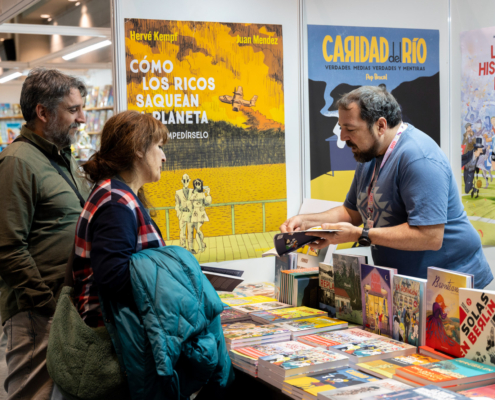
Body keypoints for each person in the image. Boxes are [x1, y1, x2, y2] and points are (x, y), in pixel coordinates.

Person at [280, 86, 492, 289]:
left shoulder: (419, 158)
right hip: (407, 284)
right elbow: (352, 212)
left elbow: (430, 236)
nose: (342, 137)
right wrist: (307, 222)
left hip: (451, 281)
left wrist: (361, 234)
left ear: (380, 126)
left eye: (350, 129)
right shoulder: (368, 155)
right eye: (341, 127)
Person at [0, 68, 90, 400]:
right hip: (38, 317)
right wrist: (47, 305)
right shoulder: (17, 162)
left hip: (66, 311)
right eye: (73, 109)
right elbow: (8, 248)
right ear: (42, 112)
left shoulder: (61, 158)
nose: (82, 118)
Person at [73, 110, 167, 328]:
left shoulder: (116, 194)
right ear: (138, 148)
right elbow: (114, 278)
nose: (163, 156)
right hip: (116, 334)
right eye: (159, 146)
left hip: (122, 329)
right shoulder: (115, 203)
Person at [188, 178, 212, 254]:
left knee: (198, 230)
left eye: (199, 183)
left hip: (200, 213)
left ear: (201, 184)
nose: (197, 185)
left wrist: (208, 194)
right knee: (196, 230)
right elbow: (189, 203)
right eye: (196, 183)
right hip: (194, 214)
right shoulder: (192, 193)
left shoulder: (202, 194)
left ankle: (201, 247)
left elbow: (207, 203)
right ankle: (202, 244)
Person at [175, 173, 192, 249]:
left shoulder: (192, 191)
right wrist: (179, 214)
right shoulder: (178, 192)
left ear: (189, 180)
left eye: (187, 180)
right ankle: (183, 246)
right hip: (182, 214)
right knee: (182, 232)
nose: (186, 182)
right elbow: (177, 205)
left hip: (190, 214)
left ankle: (191, 247)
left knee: (190, 231)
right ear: (182, 181)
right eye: (184, 180)